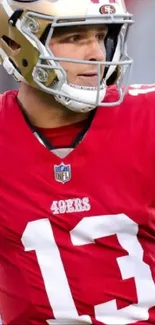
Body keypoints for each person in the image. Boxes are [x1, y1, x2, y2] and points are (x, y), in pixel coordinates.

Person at [0, 0, 155, 324]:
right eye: (74, 38)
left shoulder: (147, 118)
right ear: (18, 43)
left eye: (101, 36)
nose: (97, 54)